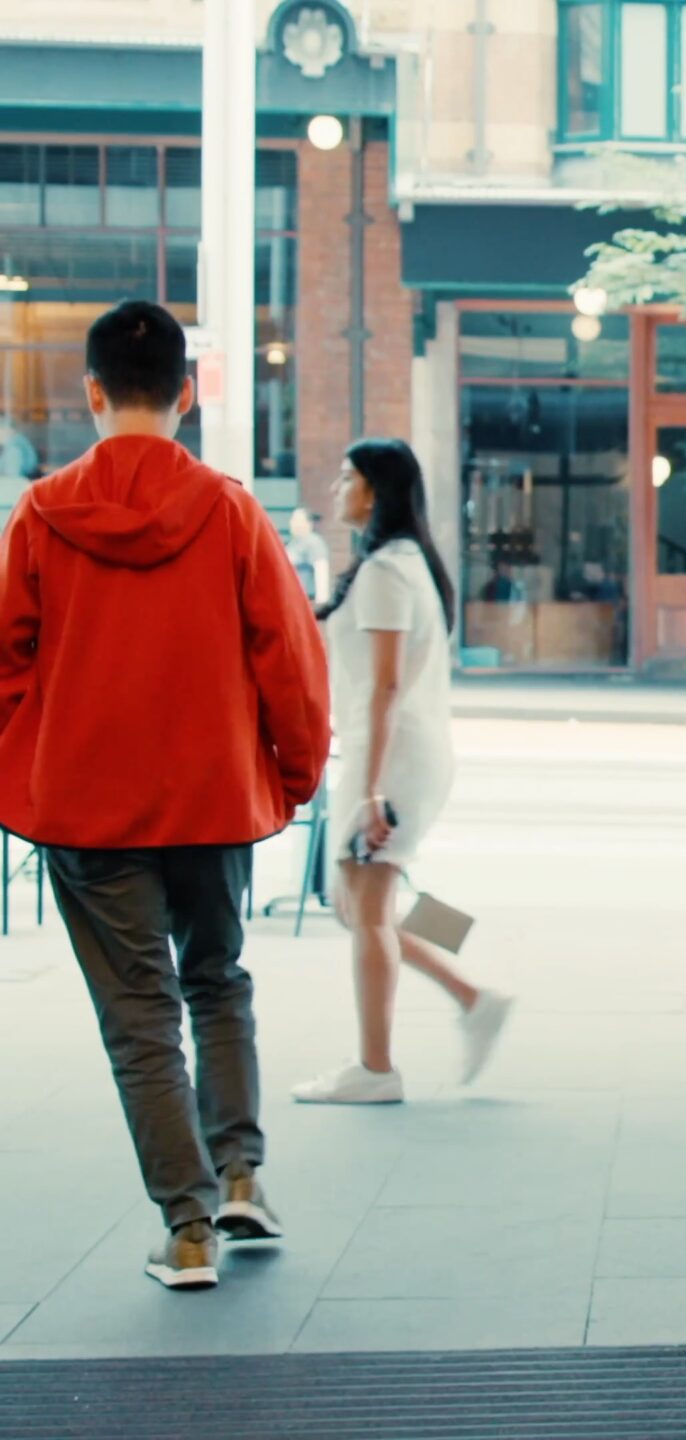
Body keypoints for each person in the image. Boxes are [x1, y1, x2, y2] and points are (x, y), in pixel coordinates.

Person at [0, 300, 329, 1289]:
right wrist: (296, 770)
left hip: (87, 806)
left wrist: (35, 761)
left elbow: (6, 664)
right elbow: (289, 656)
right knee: (218, 979)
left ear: (92, 394)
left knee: (139, 1017)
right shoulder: (230, 511)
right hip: (212, 796)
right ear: (186, 395)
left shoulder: (43, 513)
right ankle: (240, 1174)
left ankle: (187, 1230)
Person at [290, 438, 512, 1104]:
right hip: (397, 754)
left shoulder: (388, 571)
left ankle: (377, 1068)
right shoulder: (402, 563)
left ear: (375, 492)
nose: (336, 489)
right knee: (354, 905)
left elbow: (386, 686)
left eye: (347, 477)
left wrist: (369, 794)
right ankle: (474, 992)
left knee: (365, 909)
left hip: (391, 760)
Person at [284, 505, 330, 605]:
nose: (293, 523)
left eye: (298, 520)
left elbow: (321, 569)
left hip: (306, 600)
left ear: (309, 524)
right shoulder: (293, 544)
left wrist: (321, 602)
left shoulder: (314, 542)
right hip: (291, 600)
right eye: (293, 519)